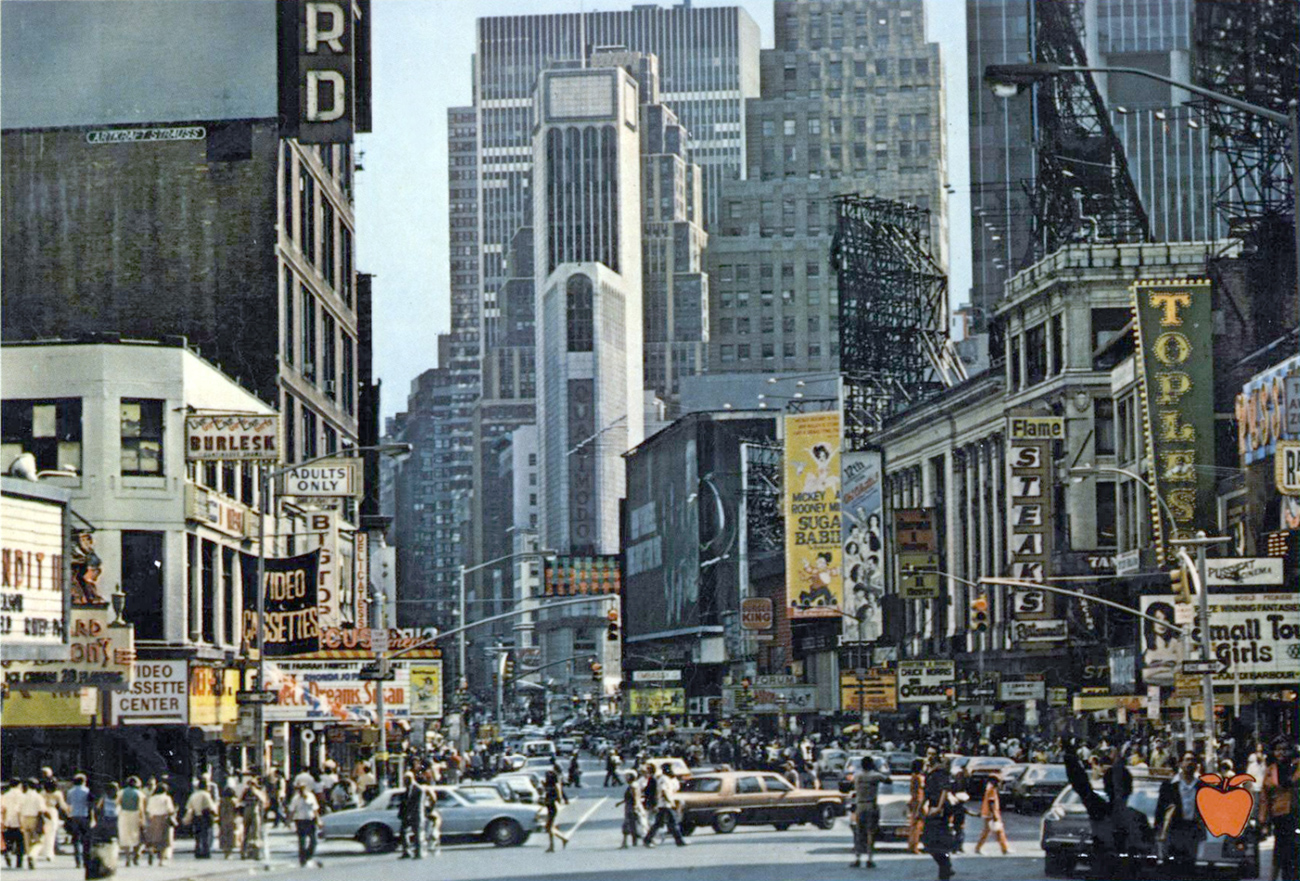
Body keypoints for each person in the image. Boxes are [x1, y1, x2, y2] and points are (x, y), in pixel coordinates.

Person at [1156, 751, 1205, 877]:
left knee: (1189, 867)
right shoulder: (1169, 786)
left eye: (1193, 760)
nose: (1189, 763)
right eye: (1187, 760)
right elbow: (1160, 811)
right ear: (1180, 763)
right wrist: (1158, 831)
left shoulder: (1202, 787)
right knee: (1172, 867)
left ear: (1197, 765)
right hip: (1174, 831)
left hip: (1192, 831)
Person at [1261, 742, 1299, 881]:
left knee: (1294, 850)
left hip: (1296, 814)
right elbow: (1265, 797)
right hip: (1279, 816)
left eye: (1285, 749)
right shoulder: (1271, 770)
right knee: (1280, 850)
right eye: (1278, 749)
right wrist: (1263, 820)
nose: (1282, 752)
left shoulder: (1297, 766)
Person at [919, 754, 958, 881]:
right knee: (929, 841)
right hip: (933, 808)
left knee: (935, 841)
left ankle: (945, 869)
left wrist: (939, 807)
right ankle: (946, 866)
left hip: (939, 811)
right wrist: (920, 807)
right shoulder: (930, 774)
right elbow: (926, 793)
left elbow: (944, 791)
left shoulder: (940, 774)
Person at [849, 756, 889, 869]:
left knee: (859, 833)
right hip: (871, 805)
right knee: (870, 833)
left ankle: (857, 858)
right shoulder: (875, 776)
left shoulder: (857, 775)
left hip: (860, 805)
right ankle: (869, 859)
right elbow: (888, 780)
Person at [643, 765, 687, 848]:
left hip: (665, 804)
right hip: (665, 804)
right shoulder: (664, 779)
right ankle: (679, 840)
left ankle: (647, 839)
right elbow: (663, 791)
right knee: (673, 822)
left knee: (659, 823)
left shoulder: (668, 778)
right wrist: (669, 801)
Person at [287, 781, 321, 867]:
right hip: (300, 820)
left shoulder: (311, 796)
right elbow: (292, 810)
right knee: (302, 841)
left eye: (303, 788)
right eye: (300, 789)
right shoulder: (295, 799)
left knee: (313, 840)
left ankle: (308, 855)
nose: (302, 790)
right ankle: (302, 859)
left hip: (310, 820)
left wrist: (319, 820)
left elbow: (315, 809)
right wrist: (289, 821)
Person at [41, 776, 73, 864]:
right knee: (52, 834)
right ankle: (49, 854)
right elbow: (62, 805)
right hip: (52, 812)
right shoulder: (57, 794)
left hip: (44, 812)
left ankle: (44, 851)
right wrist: (68, 811)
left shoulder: (42, 793)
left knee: (44, 833)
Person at [143, 782, 176, 866]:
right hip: (163, 819)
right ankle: (161, 861)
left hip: (153, 819)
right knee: (164, 840)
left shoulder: (152, 798)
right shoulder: (166, 798)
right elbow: (170, 810)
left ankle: (151, 850)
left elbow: (148, 810)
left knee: (154, 838)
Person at [974, 775, 1010, 854]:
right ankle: (978, 848)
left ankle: (1004, 848)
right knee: (988, 832)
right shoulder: (992, 790)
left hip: (989, 814)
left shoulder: (989, 789)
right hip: (991, 814)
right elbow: (991, 803)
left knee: (998, 831)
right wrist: (994, 815)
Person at [183, 779, 217, 859]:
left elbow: (188, 807)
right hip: (205, 817)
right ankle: (206, 852)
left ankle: (197, 851)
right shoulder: (205, 795)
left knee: (198, 836)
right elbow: (210, 807)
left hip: (196, 817)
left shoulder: (193, 795)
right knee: (205, 835)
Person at [540, 769, 570, 853]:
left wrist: (560, 800)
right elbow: (543, 792)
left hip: (552, 807)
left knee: (549, 827)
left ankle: (552, 846)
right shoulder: (548, 785)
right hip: (548, 806)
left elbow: (559, 793)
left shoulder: (555, 786)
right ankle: (563, 839)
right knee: (549, 827)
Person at [397, 773, 425, 859]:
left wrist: (410, 814)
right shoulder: (407, 789)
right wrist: (401, 813)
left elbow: (417, 804)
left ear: (411, 779)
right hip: (407, 815)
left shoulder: (418, 789)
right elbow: (404, 802)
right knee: (403, 832)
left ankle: (418, 853)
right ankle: (406, 851)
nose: (404, 782)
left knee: (416, 834)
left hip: (416, 815)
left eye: (406, 780)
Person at [2, 780, 28, 869]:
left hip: (8, 822)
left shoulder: (5, 795)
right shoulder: (23, 796)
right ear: (19, 785)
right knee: (20, 843)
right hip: (19, 821)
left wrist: (4, 822)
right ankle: (19, 863)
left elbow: (3, 810)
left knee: (9, 841)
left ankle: (7, 853)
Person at [118, 777, 145, 866]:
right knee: (136, 836)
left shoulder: (121, 792)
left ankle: (127, 857)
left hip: (124, 815)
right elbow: (141, 807)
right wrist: (142, 819)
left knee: (125, 836)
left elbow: (117, 803)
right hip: (135, 814)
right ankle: (136, 856)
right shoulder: (139, 794)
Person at [239, 780, 266, 860]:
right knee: (248, 833)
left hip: (253, 811)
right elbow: (240, 800)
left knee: (254, 833)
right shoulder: (246, 792)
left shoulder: (256, 792)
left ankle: (254, 853)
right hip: (250, 811)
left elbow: (263, 801)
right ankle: (246, 852)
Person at [620, 771, 646, 849]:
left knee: (631, 825)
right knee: (632, 824)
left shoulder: (633, 786)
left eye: (627, 777)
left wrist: (635, 806)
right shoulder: (633, 785)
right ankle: (629, 842)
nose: (626, 778)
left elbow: (635, 797)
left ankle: (636, 841)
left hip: (631, 808)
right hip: (630, 807)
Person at [906, 758, 926, 854]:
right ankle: (914, 846)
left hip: (915, 801)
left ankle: (912, 845)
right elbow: (918, 791)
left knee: (914, 824)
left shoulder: (913, 776)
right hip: (918, 801)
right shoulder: (917, 777)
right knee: (917, 825)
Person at [217, 787, 239, 860]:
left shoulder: (221, 802)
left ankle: (225, 852)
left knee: (224, 836)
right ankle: (229, 852)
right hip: (231, 820)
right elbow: (237, 811)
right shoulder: (233, 801)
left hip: (223, 820)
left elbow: (219, 811)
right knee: (231, 837)